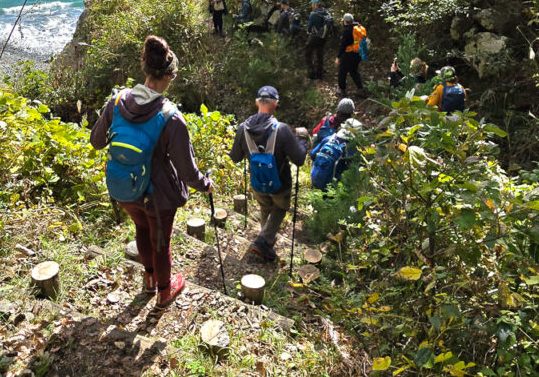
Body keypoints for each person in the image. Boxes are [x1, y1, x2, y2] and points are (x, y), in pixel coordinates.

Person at [90, 35, 213, 309]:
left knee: (141, 229)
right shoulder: (171, 118)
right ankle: (165, 293)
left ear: (145, 69)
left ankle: (148, 281)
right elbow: (187, 172)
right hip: (157, 197)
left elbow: (96, 141)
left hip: (124, 188)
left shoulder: (117, 101)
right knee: (161, 242)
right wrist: (205, 184)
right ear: (171, 76)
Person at [229, 85, 309, 262]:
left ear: (257, 102)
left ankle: (266, 240)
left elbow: (235, 157)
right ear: (276, 104)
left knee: (265, 207)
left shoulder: (243, 129)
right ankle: (264, 241)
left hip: (258, 182)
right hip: (280, 184)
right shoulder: (282, 129)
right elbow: (300, 159)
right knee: (280, 208)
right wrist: (302, 139)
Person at [309, 98, 361, 190]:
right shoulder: (349, 144)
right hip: (333, 180)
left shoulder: (326, 121)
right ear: (352, 113)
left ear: (337, 109)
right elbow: (352, 167)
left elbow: (314, 133)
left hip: (318, 167)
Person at [335, 13, 366, 96]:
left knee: (342, 72)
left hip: (349, 55)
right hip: (358, 53)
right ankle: (361, 90)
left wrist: (338, 57)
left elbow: (343, 45)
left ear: (345, 21)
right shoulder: (359, 28)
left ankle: (342, 90)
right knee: (353, 71)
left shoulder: (347, 30)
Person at [305, 0, 332, 79]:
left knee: (307, 54)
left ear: (314, 4)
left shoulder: (313, 14)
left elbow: (309, 27)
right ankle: (319, 74)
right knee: (319, 55)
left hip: (314, 37)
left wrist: (308, 31)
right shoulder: (326, 12)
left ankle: (311, 74)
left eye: (312, 3)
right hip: (323, 37)